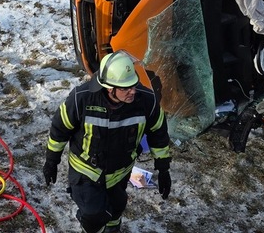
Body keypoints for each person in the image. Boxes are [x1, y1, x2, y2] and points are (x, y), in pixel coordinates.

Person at [43, 50, 172, 233]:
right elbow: (59, 130)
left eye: (134, 84)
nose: (133, 91)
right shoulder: (81, 99)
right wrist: (51, 161)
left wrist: (163, 168)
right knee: (94, 215)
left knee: (116, 209)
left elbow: (158, 134)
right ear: (109, 88)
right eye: (126, 88)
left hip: (120, 172)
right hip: (86, 172)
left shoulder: (146, 101)